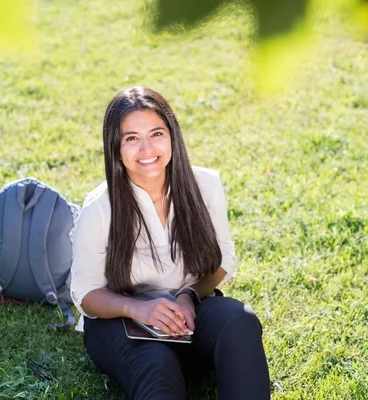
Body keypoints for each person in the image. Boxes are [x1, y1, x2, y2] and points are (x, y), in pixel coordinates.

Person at [70, 86, 270, 400]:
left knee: (239, 320)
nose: (147, 149)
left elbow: (224, 258)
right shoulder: (99, 207)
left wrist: (189, 296)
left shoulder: (206, 185)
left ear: (172, 135)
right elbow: (84, 293)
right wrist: (137, 308)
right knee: (157, 363)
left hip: (188, 313)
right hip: (121, 322)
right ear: (115, 147)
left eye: (157, 133)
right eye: (132, 138)